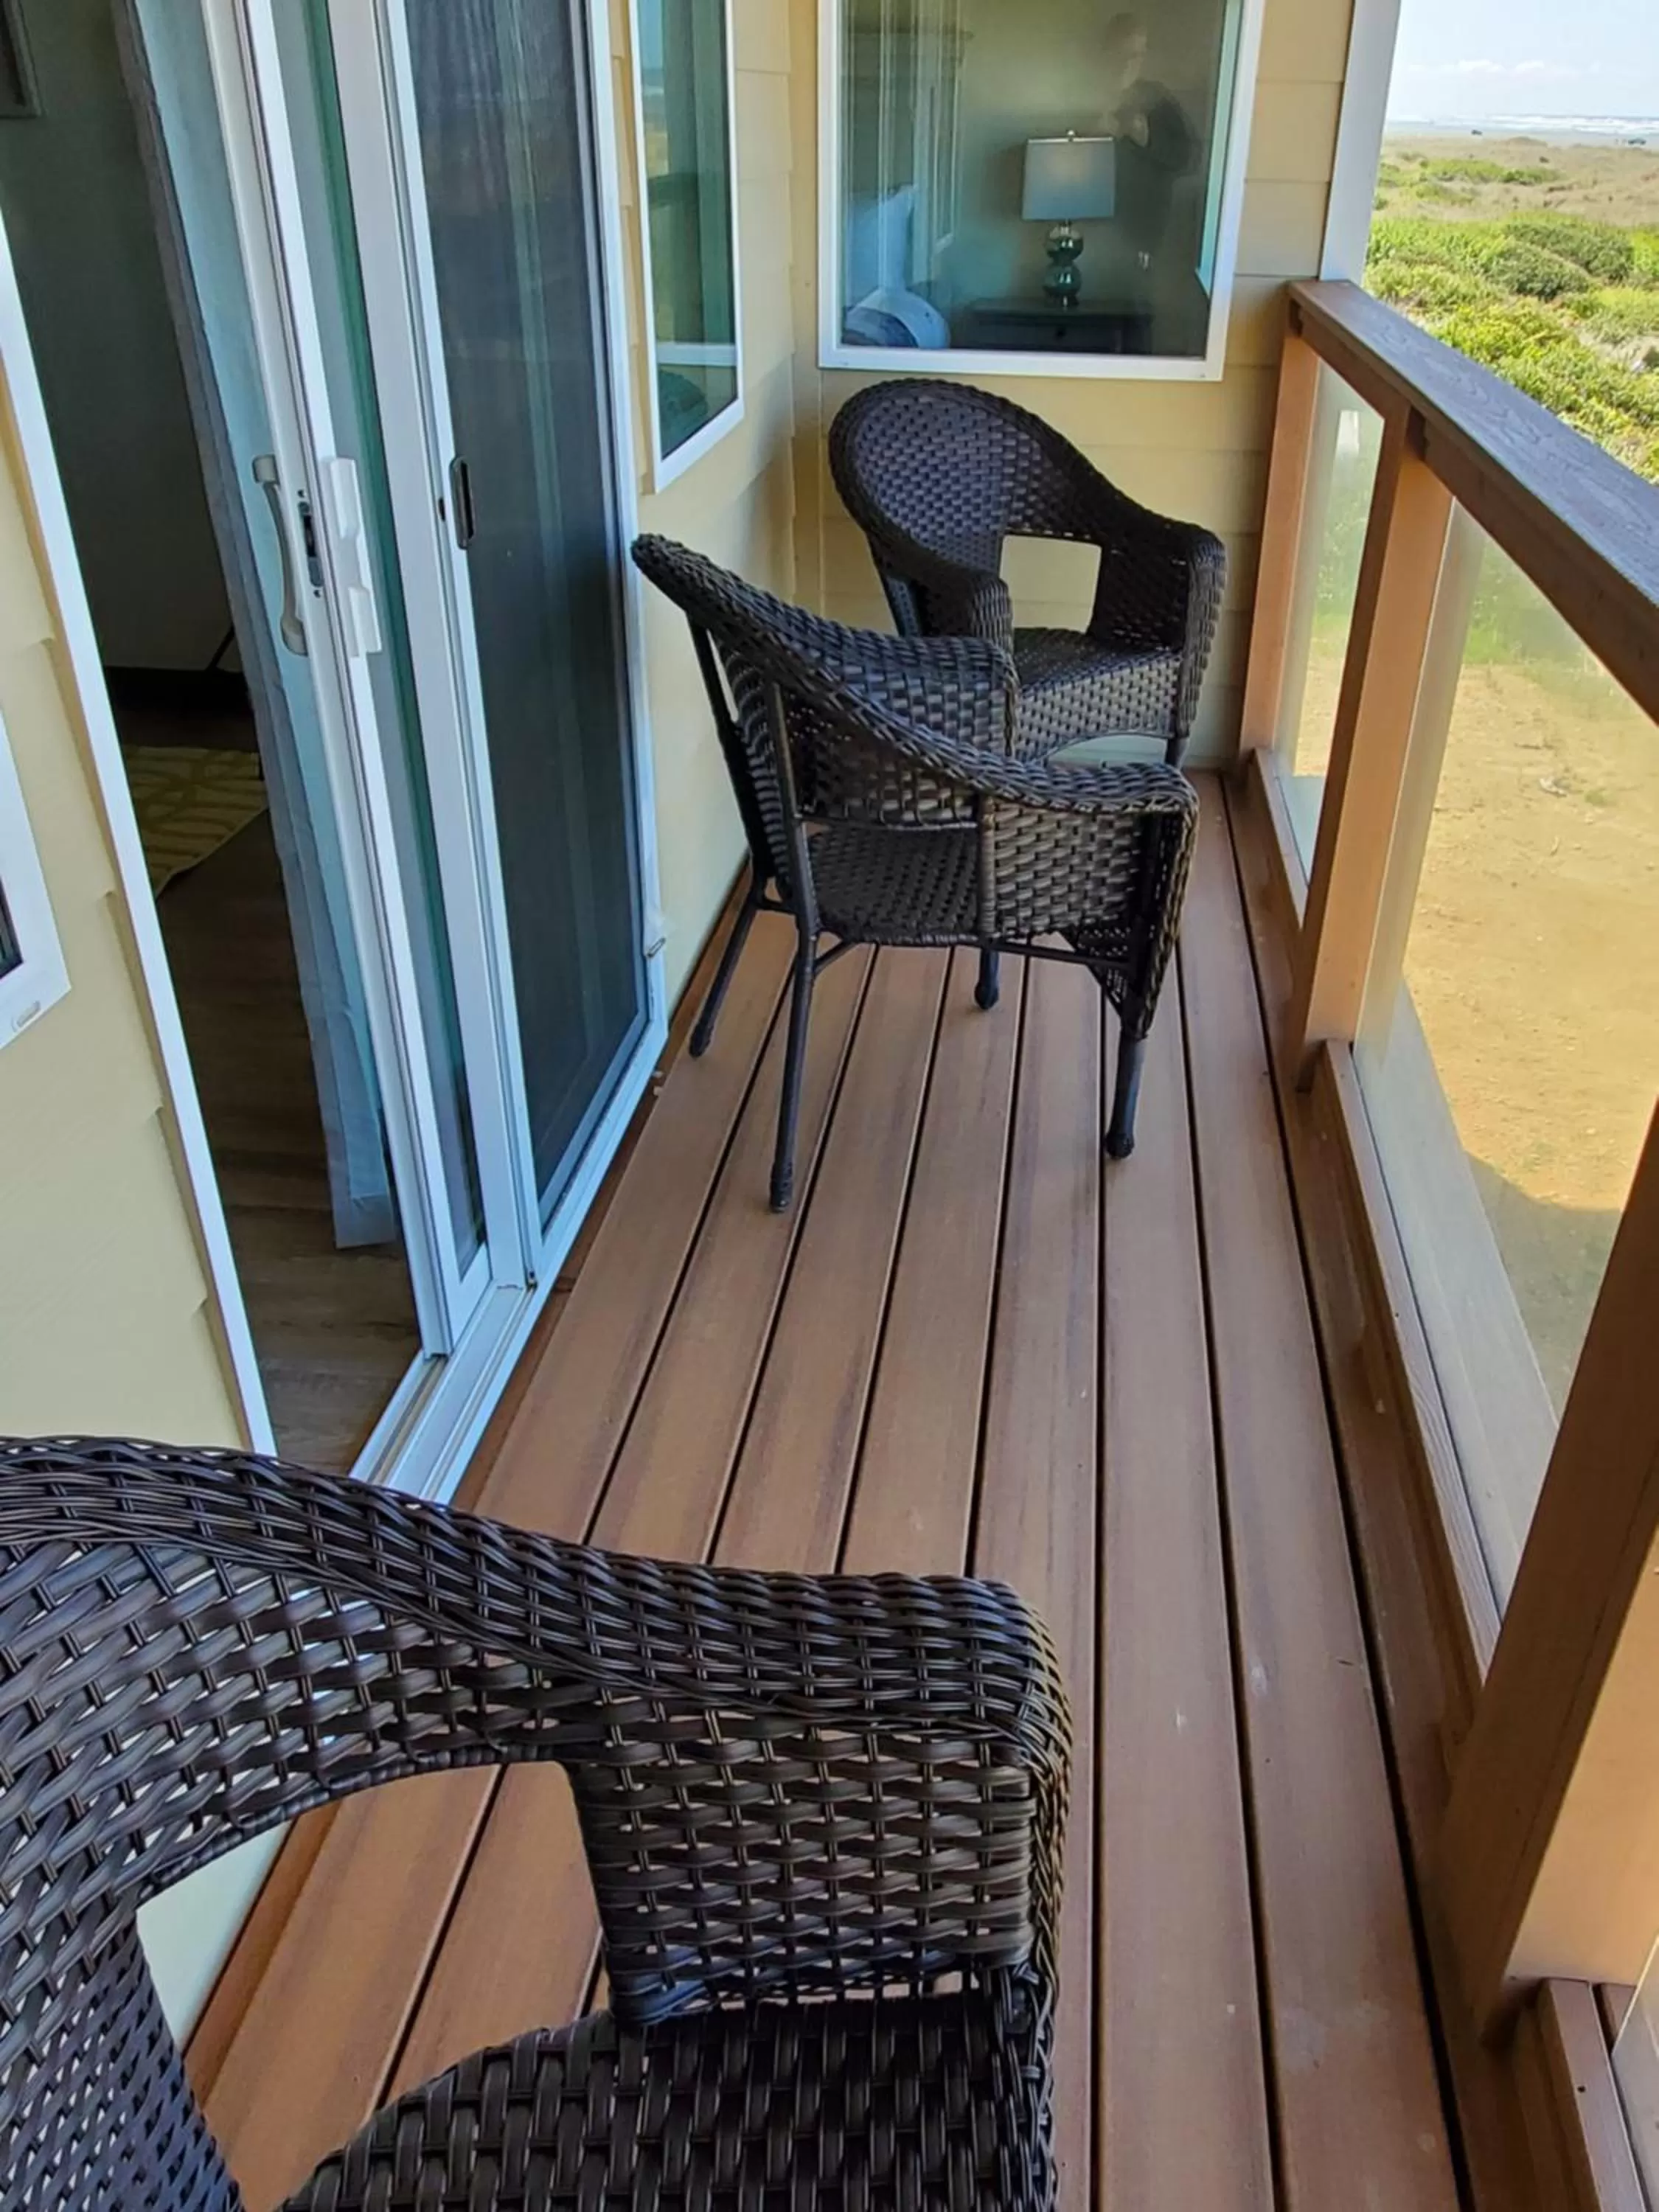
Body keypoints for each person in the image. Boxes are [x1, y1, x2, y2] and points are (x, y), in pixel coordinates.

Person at [1102, 12, 1196, 266]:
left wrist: (1148, 139)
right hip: (1088, 230)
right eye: (1120, 54)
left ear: (1144, 58)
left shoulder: (1158, 101)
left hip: (1141, 239)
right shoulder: (1082, 93)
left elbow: (1188, 159)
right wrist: (1094, 135)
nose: (1126, 63)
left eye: (1135, 56)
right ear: (1106, 53)